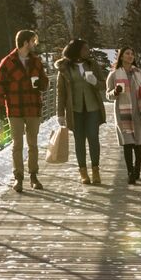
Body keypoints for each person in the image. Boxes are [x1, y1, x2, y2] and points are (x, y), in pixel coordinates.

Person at [0, 28, 46, 192]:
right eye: (32, 41)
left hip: (33, 108)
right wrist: (0, 106)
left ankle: (34, 176)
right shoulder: (7, 62)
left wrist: (41, 84)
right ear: (25, 42)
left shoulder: (36, 61)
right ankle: (19, 178)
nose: (34, 44)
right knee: (17, 144)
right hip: (15, 109)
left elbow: (45, 81)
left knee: (33, 144)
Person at [53, 39, 107, 186]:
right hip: (75, 110)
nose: (88, 51)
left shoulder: (92, 64)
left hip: (92, 108)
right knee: (79, 141)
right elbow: (61, 92)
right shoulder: (64, 68)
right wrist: (60, 114)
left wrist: (95, 81)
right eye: (85, 49)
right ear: (76, 50)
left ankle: (95, 170)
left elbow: (103, 85)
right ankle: (83, 172)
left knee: (93, 138)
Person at [106, 47, 141, 184]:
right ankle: (130, 172)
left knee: (138, 144)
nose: (130, 56)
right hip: (123, 114)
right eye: (127, 53)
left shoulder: (140, 73)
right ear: (121, 56)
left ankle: (137, 169)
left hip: (139, 111)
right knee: (127, 143)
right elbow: (108, 95)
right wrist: (115, 92)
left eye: (132, 54)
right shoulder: (114, 75)